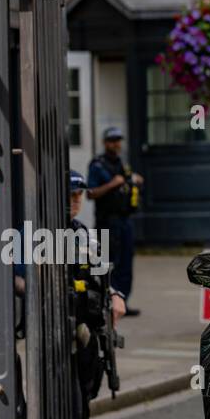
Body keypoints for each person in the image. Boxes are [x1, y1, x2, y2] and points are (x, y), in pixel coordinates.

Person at [69, 170, 126, 419]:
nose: (76, 199)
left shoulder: (81, 233)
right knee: (72, 415)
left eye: (79, 194)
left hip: (90, 340)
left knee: (84, 408)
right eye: (70, 193)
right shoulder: (42, 235)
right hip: (62, 342)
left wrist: (116, 293)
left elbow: (103, 273)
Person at [87, 127, 142, 316]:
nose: (116, 144)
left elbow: (126, 182)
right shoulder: (97, 165)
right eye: (112, 140)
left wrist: (134, 180)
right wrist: (112, 184)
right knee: (108, 263)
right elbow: (90, 193)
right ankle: (106, 303)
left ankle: (123, 302)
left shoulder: (122, 164)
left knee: (126, 263)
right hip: (107, 222)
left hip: (125, 220)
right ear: (105, 143)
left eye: (118, 140)